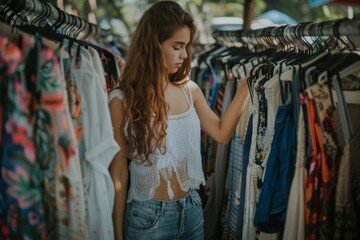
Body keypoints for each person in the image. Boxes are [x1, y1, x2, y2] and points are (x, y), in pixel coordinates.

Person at [108, 1, 250, 239]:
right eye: (177, 46)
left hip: (192, 210)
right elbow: (119, 172)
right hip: (146, 218)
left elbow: (222, 133)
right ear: (153, 45)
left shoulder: (189, 89)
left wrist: (247, 85)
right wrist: (117, 234)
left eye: (186, 47)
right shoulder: (121, 99)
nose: (185, 55)